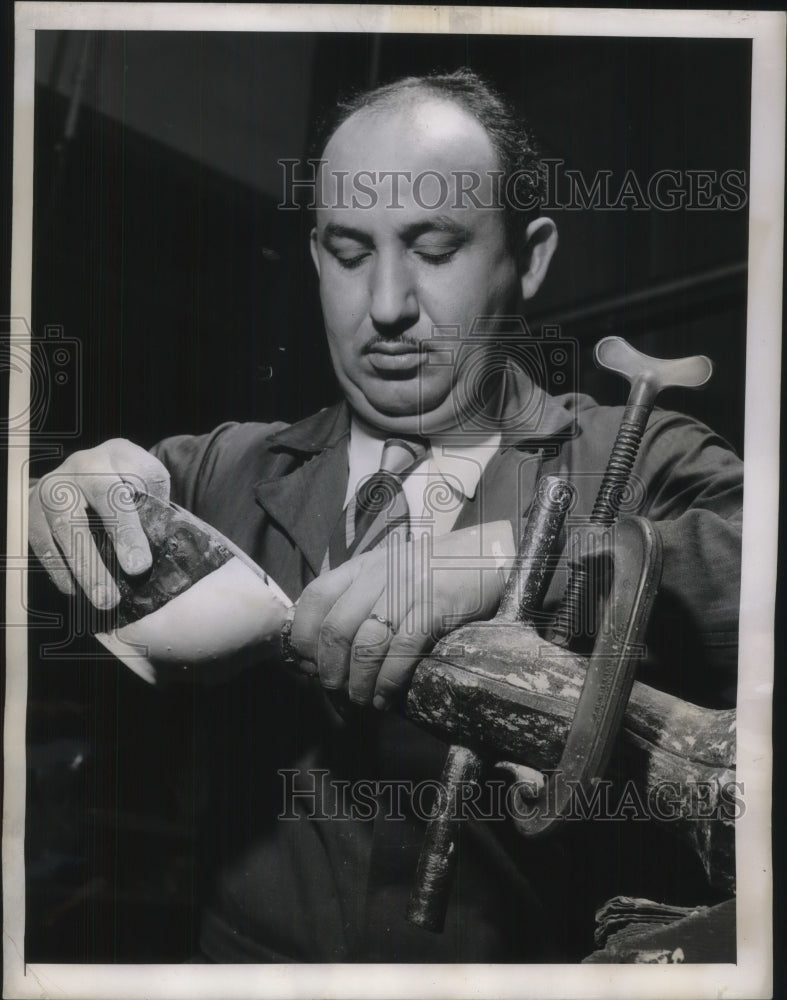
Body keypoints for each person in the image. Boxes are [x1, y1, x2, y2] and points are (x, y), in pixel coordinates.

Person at [28, 69, 742, 962]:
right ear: (318, 256)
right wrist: (63, 492)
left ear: (531, 255)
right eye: (351, 252)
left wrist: (522, 558)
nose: (387, 307)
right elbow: (75, 539)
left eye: (435, 248)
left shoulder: (641, 464)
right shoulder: (223, 469)